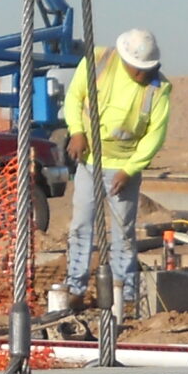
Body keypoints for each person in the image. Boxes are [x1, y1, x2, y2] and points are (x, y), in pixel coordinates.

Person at [60, 27, 171, 318]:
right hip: (89, 162)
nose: (143, 75)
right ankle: (75, 288)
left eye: (149, 69)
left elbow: (154, 136)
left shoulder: (159, 89)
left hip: (124, 168)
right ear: (126, 60)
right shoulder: (98, 62)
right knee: (82, 225)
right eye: (139, 70)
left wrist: (130, 169)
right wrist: (77, 132)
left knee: (123, 233)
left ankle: (127, 297)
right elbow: (73, 98)